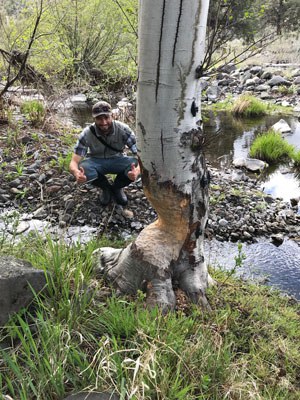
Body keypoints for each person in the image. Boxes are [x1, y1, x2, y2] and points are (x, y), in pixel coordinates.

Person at [69, 100, 140, 206]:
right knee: (82, 167)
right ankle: (105, 188)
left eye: (106, 117)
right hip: (96, 161)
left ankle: (117, 187)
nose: (103, 122)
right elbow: (74, 162)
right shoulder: (87, 133)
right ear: (94, 118)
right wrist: (76, 173)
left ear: (112, 116)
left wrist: (137, 172)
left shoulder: (124, 129)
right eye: (99, 118)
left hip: (118, 160)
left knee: (136, 164)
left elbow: (141, 156)